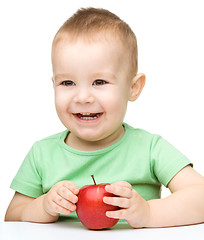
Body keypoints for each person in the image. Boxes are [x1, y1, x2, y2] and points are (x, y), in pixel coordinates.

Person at [5, 7, 204, 228]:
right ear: (54, 86)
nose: (82, 97)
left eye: (99, 82)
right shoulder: (41, 154)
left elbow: (201, 196)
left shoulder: (149, 149)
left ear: (133, 87)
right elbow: (13, 216)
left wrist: (148, 213)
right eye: (67, 83)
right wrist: (43, 207)